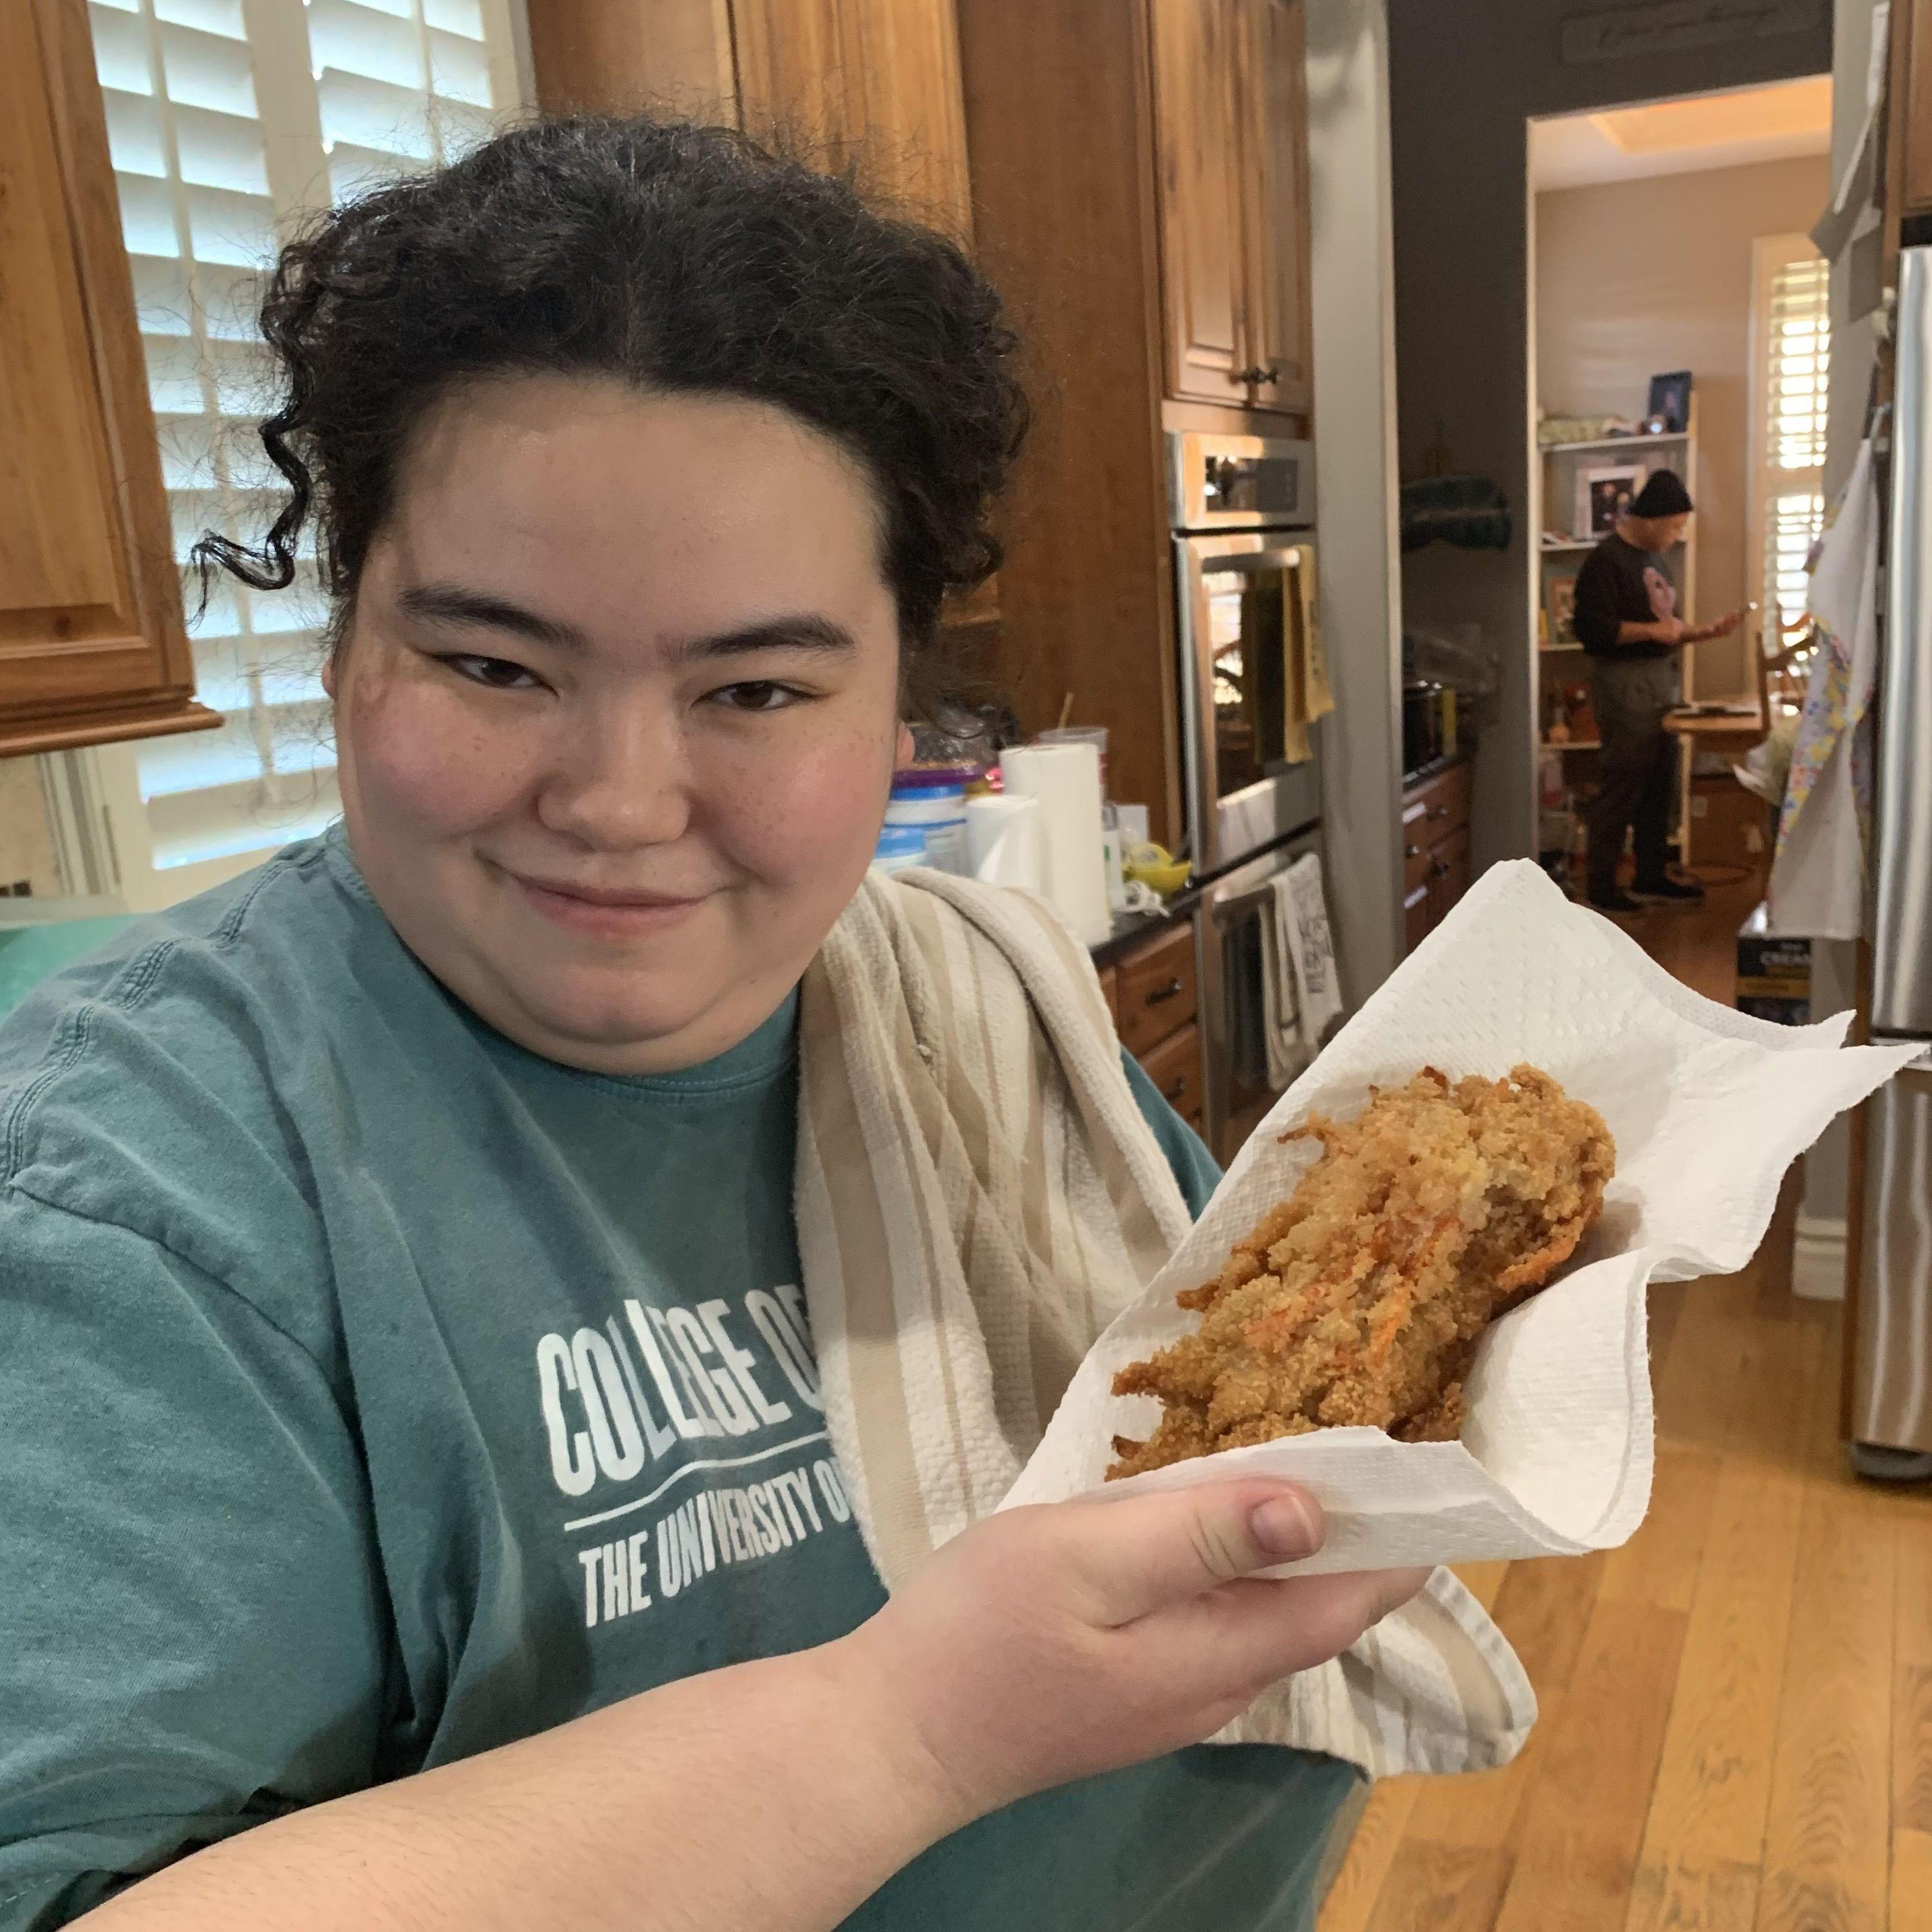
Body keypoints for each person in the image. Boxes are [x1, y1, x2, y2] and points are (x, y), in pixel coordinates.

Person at [0, 118, 1426, 1931]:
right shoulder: (143, 1194)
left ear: (906, 689)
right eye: (494, 665)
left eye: (753, 686)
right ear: (347, 637)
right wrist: (904, 1734)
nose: (618, 799)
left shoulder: (987, 1011)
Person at [1571, 468, 1741, 914]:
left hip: (1660, 681)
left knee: (1659, 785)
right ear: (1650, 518)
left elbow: (1666, 631)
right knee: (1623, 783)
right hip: (1624, 685)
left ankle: (1651, 876)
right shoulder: (1606, 561)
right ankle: (1602, 886)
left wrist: (1705, 633)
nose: (1676, 534)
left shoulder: (1655, 561)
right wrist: (1654, 630)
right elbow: (1592, 629)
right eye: (1674, 525)